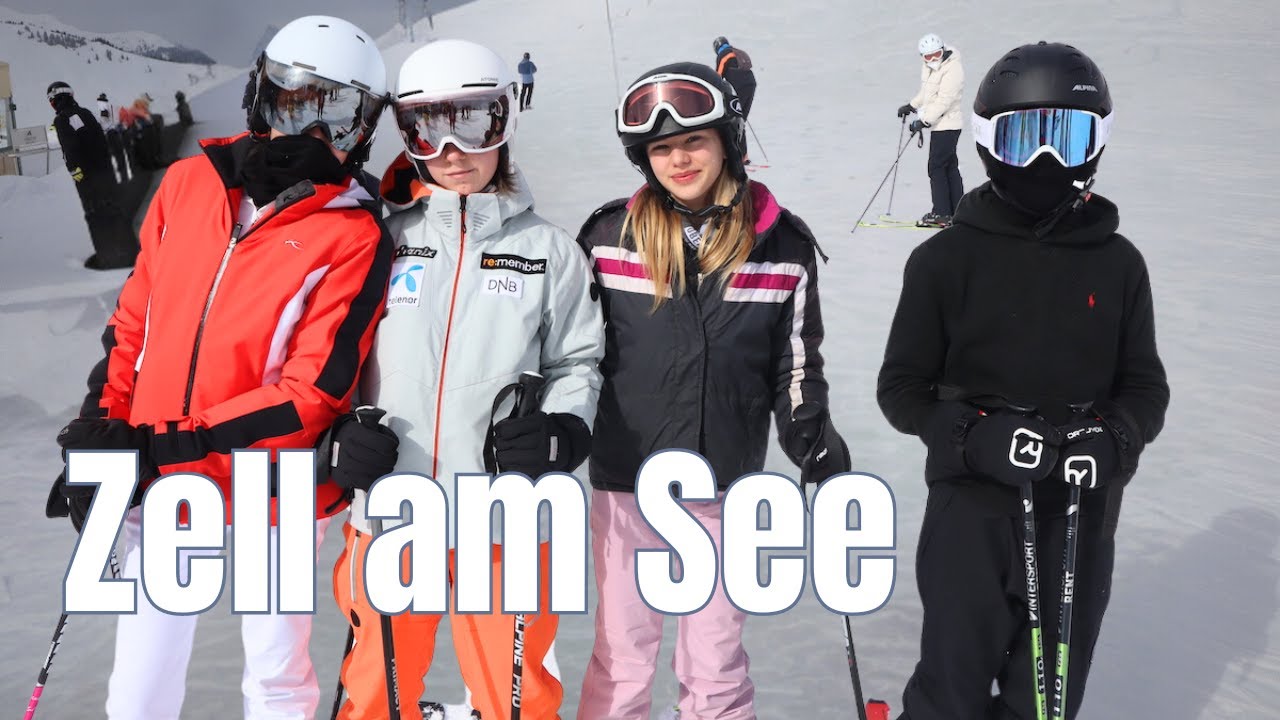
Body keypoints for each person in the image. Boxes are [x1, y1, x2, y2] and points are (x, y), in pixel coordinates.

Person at [45, 15, 393, 720]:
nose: (314, 133)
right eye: (298, 102)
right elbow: (134, 326)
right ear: (263, 96)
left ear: (365, 129)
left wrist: (159, 441)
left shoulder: (354, 232)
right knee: (139, 680)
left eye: (340, 114)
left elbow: (312, 393)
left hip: (275, 488)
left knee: (275, 676)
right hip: (165, 480)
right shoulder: (187, 185)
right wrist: (100, 430)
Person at [877, 42, 1169, 720]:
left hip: (1078, 508)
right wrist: (974, 438)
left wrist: (1116, 440)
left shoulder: (1118, 264)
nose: (1045, 160)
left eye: (1065, 137)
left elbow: (1144, 387)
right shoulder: (945, 260)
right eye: (1024, 137)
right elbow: (903, 389)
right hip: (973, 507)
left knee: (1046, 696)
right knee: (953, 680)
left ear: (1096, 143)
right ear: (987, 141)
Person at [327, 38, 604, 720]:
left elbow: (578, 361)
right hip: (394, 512)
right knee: (373, 691)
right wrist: (339, 436)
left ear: (504, 123)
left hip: (503, 521)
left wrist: (561, 434)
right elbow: (333, 358)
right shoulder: (383, 241)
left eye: (472, 122)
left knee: (517, 696)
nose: (452, 151)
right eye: (428, 128)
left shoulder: (549, 251)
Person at [574, 61, 850, 720]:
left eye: (693, 141)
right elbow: (574, 352)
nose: (679, 159)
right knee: (623, 656)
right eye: (661, 149)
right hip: (627, 481)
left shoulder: (781, 245)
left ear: (727, 139)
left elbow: (794, 363)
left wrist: (810, 428)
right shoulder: (609, 238)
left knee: (715, 661)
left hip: (723, 482)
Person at [47, 81, 138, 269]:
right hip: (105, 171)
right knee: (115, 209)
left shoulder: (62, 120)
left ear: (54, 100)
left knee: (95, 214)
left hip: (88, 178)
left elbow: (70, 148)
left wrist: (75, 171)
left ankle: (107, 257)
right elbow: (101, 139)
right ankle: (130, 252)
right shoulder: (86, 113)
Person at [896, 33, 964, 228]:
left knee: (936, 167)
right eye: (928, 57)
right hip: (940, 125)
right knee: (948, 166)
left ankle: (941, 213)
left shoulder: (953, 68)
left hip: (948, 125)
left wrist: (923, 121)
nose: (933, 60)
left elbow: (944, 101)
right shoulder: (928, 69)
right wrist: (911, 105)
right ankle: (955, 212)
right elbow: (927, 94)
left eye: (937, 54)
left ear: (943, 50)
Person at [712, 36, 756, 119]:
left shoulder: (723, 55)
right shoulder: (738, 52)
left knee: (733, 113)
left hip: (740, 85)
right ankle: (741, 129)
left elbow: (718, 76)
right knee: (742, 115)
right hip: (751, 83)